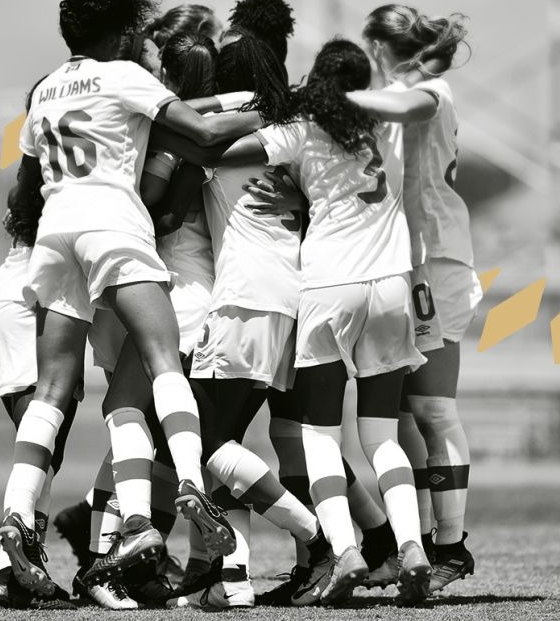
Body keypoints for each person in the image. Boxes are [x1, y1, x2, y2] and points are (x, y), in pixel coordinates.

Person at [0, 0, 266, 604]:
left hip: (55, 235)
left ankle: (16, 517)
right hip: (114, 224)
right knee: (161, 359)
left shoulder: (48, 91)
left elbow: (25, 190)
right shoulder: (123, 76)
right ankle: (172, 503)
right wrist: (271, 112)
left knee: (54, 392)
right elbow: (200, 137)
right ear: (121, 31)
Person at [160, 38, 433, 606]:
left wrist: (195, 110)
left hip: (293, 293)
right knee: (359, 435)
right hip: (377, 288)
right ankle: (400, 544)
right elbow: (422, 102)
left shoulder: (296, 131)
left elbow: (208, 155)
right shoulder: (388, 126)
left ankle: (303, 553)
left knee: (232, 439)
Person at [347, 4, 479, 594]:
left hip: (437, 262)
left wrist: (335, 97)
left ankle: (452, 546)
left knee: (432, 409)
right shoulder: (391, 97)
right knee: (400, 416)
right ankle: (418, 544)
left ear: (377, 46)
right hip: (404, 262)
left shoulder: (430, 91)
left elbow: (406, 104)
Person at [0, 187, 75, 611]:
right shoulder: (55, 251)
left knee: (42, 465)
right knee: (41, 462)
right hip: (31, 313)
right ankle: (9, 574)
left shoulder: (4, 268)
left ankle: (12, 577)